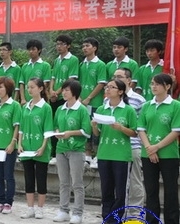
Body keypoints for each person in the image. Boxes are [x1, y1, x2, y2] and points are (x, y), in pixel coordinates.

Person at [91, 79, 137, 224]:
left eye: (112, 87)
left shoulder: (128, 110)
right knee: (106, 188)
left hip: (121, 155)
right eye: (107, 87)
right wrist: (94, 126)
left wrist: (121, 128)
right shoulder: (101, 109)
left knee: (121, 189)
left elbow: (134, 132)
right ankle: (107, 218)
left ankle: (116, 219)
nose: (108, 89)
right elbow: (97, 134)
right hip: (104, 153)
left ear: (121, 91)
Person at [138, 73, 180, 224]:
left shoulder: (175, 106)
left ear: (167, 86)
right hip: (147, 153)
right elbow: (141, 129)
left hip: (169, 154)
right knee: (151, 189)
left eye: (157, 84)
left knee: (170, 189)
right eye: (152, 83)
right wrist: (149, 148)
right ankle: (151, 223)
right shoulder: (147, 106)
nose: (153, 87)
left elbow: (175, 131)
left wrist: (156, 147)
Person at [52, 79, 91, 224]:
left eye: (67, 90)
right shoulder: (60, 109)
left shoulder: (82, 110)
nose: (63, 92)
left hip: (76, 149)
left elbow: (86, 131)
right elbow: (56, 125)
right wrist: (57, 132)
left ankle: (78, 213)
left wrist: (70, 133)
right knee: (63, 182)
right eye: (63, 90)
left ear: (74, 92)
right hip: (61, 148)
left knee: (77, 183)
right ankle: (63, 210)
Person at [18, 78, 53, 219]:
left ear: (40, 88)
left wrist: (43, 147)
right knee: (28, 178)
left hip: (40, 148)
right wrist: (19, 144)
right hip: (26, 147)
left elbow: (48, 130)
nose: (29, 90)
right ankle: (30, 208)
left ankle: (40, 208)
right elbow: (21, 128)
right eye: (28, 87)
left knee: (41, 178)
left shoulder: (46, 108)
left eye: (32, 87)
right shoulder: (25, 107)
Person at [111, 67, 146, 208]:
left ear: (129, 81)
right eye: (114, 77)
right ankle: (116, 212)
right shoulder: (108, 99)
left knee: (134, 180)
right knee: (115, 182)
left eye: (119, 77)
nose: (116, 79)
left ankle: (135, 212)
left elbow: (142, 126)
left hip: (132, 145)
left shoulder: (139, 100)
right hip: (113, 146)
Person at [0, 76, 21, 214]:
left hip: (8, 146)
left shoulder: (15, 105)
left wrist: (13, 142)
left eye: (1, 87)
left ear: (8, 89)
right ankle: (0, 201)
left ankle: (8, 203)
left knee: (8, 176)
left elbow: (17, 126)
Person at [49, 34, 79, 164]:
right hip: (54, 97)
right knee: (54, 124)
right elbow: (53, 77)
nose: (59, 46)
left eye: (61, 44)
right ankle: (54, 152)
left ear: (68, 45)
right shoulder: (57, 60)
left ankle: (63, 152)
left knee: (63, 124)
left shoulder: (73, 59)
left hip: (64, 97)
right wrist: (51, 91)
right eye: (57, 44)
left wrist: (57, 92)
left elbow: (71, 79)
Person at [79, 37, 107, 167]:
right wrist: (80, 97)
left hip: (95, 103)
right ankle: (87, 155)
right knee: (86, 127)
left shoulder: (100, 64)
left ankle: (97, 155)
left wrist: (89, 97)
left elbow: (101, 83)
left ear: (95, 48)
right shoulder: (82, 64)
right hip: (82, 103)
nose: (84, 48)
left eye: (87, 46)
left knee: (96, 128)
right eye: (83, 46)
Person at [19, 39, 51, 106]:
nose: (31, 51)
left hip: (40, 100)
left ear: (39, 50)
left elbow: (45, 83)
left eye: (33, 49)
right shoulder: (25, 66)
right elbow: (22, 83)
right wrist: (22, 99)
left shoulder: (45, 65)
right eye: (29, 49)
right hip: (26, 101)